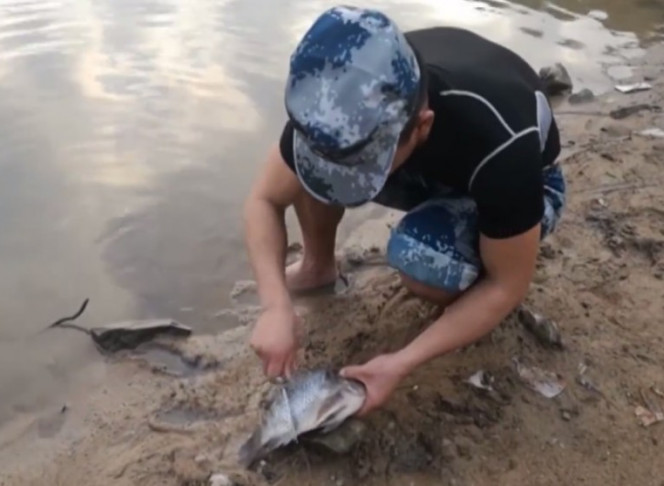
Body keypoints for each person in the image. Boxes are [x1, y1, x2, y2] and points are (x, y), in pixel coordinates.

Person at [242, 5, 565, 416]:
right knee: (311, 175)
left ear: (423, 125)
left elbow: (509, 285)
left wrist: (402, 362)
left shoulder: (500, 139)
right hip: (423, 166)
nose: (343, 173)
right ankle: (318, 265)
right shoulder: (334, 105)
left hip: (528, 183)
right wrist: (275, 305)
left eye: (361, 163)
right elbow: (264, 199)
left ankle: (463, 285)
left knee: (424, 260)